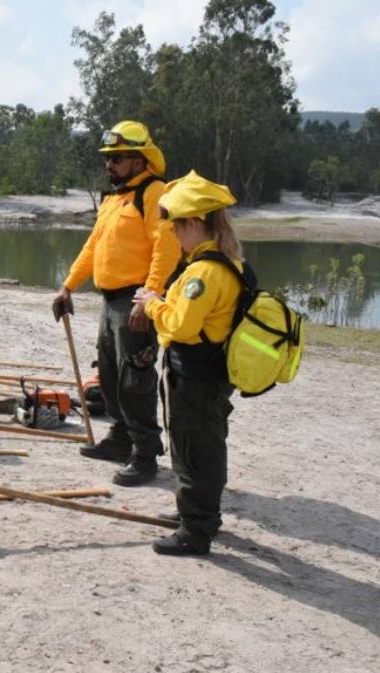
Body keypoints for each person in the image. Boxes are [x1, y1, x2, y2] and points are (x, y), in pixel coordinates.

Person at [52, 120, 181, 486]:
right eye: (108, 158)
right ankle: (121, 439)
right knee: (108, 375)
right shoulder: (115, 198)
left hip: (136, 302)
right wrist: (68, 286)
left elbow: (166, 247)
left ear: (140, 160)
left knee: (135, 380)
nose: (109, 165)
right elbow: (93, 247)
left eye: (118, 158)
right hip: (110, 304)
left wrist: (149, 295)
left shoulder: (154, 193)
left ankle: (145, 454)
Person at [132, 171, 242, 556]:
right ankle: (193, 515)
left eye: (177, 228)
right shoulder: (216, 264)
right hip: (198, 374)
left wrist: (152, 304)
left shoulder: (204, 272)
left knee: (198, 448)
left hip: (197, 374)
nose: (175, 237)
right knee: (193, 444)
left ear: (195, 224)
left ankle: (196, 531)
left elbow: (182, 323)